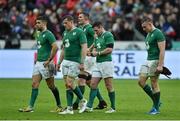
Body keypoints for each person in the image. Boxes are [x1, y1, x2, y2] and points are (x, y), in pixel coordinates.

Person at [18, 16, 63, 112]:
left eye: (38, 23)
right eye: (36, 22)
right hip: (38, 63)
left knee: (51, 86)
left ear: (44, 23)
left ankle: (59, 105)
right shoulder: (38, 34)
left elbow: (55, 47)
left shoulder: (49, 34)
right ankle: (30, 107)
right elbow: (41, 48)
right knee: (34, 84)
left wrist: (49, 60)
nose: (36, 25)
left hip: (46, 63)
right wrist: (37, 58)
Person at [72, 12, 107, 110]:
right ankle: (102, 101)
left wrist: (91, 49)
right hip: (87, 57)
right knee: (89, 82)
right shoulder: (83, 28)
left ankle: (77, 103)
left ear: (86, 18)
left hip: (88, 58)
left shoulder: (89, 28)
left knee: (81, 80)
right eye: (78, 17)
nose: (78, 18)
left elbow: (97, 37)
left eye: (80, 17)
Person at [56, 15, 87, 114]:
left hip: (75, 61)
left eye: (66, 23)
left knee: (70, 82)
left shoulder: (79, 32)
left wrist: (82, 62)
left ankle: (82, 100)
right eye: (63, 23)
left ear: (71, 22)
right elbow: (63, 49)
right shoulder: (65, 33)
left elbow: (84, 47)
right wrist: (59, 62)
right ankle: (69, 108)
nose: (64, 25)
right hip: (65, 60)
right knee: (67, 85)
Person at [85, 21, 116, 113]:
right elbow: (95, 47)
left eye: (96, 30)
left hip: (106, 63)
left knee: (108, 86)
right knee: (93, 84)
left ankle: (113, 107)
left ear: (101, 27)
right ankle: (89, 106)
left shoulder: (108, 35)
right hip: (98, 64)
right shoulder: (97, 37)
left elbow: (109, 49)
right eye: (94, 31)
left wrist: (97, 53)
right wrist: (91, 52)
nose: (95, 32)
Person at [138, 17, 166, 115]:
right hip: (148, 60)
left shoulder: (158, 33)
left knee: (154, 83)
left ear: (150, 23)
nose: (143, 29)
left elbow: (162, 50)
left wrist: (160, 65)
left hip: (155, 60)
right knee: (141, 82)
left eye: (145, 27)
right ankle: (157, 101)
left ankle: (156, 108)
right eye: (143, 27)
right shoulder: (149, 34)